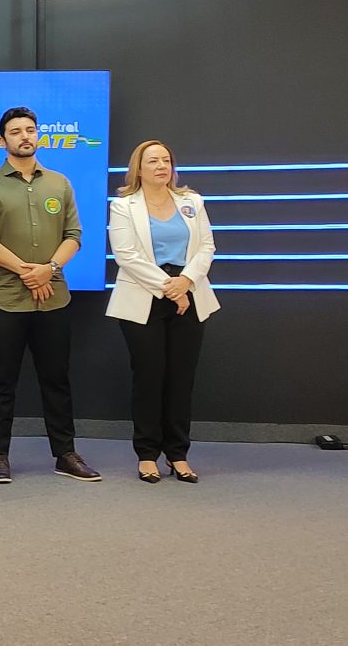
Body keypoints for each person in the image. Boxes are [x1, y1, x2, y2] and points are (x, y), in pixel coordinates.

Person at [0, 106, 100, 484]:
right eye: (15, 131)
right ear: (3, 139)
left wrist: (49, 270)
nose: (24, 136)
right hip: (5, 299)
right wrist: (28, 272)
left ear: (38, 134)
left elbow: (73, 235)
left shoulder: (59, 183)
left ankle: (65, 453)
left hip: (53, 298)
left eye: (29, 130)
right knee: (1, 380)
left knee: (56, 379)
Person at [105, 140, 219, 483]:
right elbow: (126, 255)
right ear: (138, 168)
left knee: (181, 380)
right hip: (143, 299)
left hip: (190, 294)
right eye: (152, 161)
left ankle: (178, 454)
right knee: (149, 378)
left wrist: (185, 282)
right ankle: (147, 454)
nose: (161, 166)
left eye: (166, 160)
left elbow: (207, 246)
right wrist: (169, 288)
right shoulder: (124, 206)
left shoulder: (192, 202)